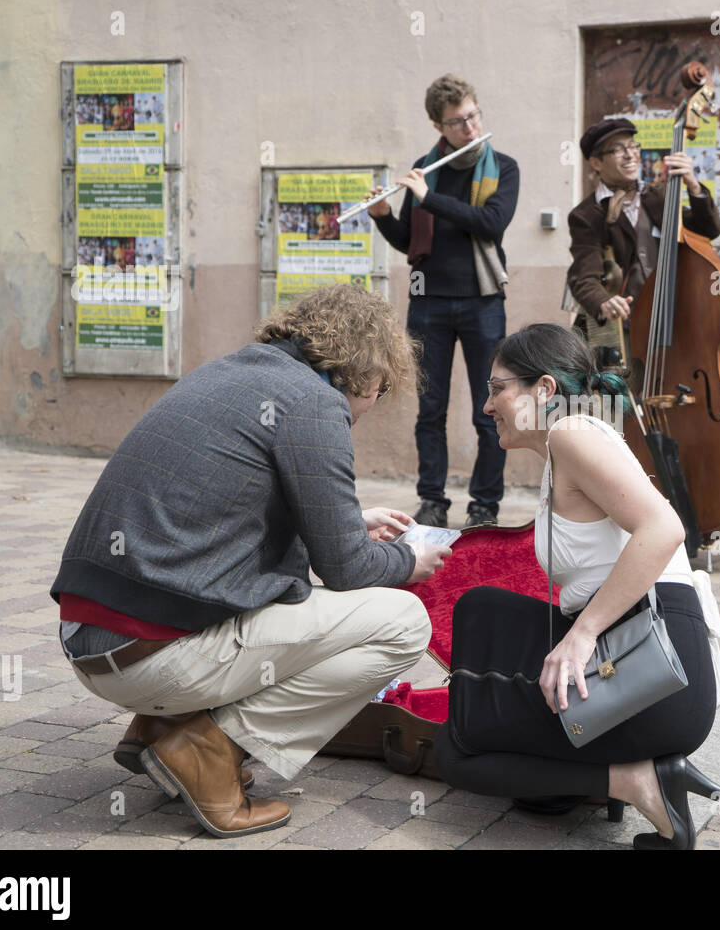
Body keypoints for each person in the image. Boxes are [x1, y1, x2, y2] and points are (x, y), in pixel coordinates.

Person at [49, 284, 452, 838]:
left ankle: (160, 727)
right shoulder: (315, 402)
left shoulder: (228, 372)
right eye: (382, 389)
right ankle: (208, 751)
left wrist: (348, 518)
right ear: (366, 371)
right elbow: (349, 570)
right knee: (403, 623)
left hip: (88, 640)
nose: (373, 403)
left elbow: (225, 505)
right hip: (150, 657)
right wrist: (409, 560)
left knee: (286, 604)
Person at [431, 323, 720, 850]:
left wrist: (582, 634)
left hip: (657, 669)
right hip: (638, 651)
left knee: (457, 750)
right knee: (480, 608)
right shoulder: (567, 447)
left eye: (497, 389)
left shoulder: (573, 433)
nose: (487, 405)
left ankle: (636, 782)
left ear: (543, 390)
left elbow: (665, 528)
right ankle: (592, 776)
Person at [368, 74, 519, 530]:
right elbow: (410, 242)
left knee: (490, 407)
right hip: (428, 302)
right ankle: (431, 500)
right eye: (457, 122)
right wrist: (382, 217)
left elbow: (491, 223)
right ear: (439, 125)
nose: (469, 128)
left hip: (482, 302)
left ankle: (484, 505)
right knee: (429, 410)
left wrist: (428, 198)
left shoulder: (502, 168)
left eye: (473, 116)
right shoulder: (426, 166)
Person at [566, 118, 720, 338]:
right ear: (596, 163)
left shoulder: (660, 195)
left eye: (632, 147)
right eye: (618, 150)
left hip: (672, 316)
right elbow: (583, 276)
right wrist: (604, 301)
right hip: (626, 325)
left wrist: (693, 184)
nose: (630, 155)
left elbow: (709, 230)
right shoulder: (586, 215)